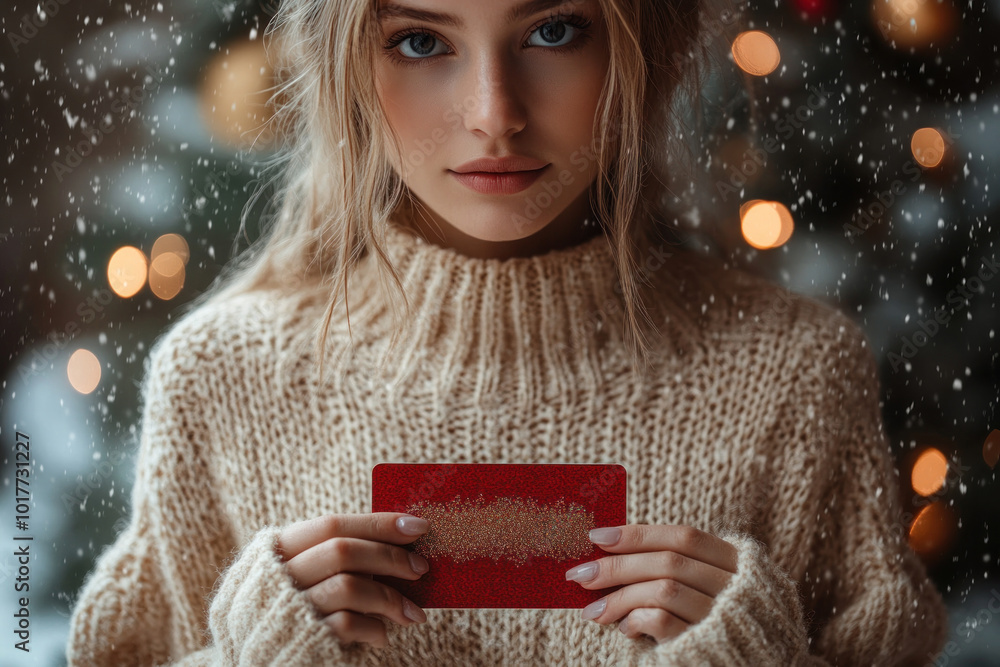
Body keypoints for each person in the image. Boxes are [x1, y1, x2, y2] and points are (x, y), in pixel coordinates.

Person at [65, 0, 951, 664]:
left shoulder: (795, 373)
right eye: (420, 41)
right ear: (340, 62)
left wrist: (756, 653)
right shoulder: (224, 376)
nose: (495, 112)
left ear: (646, 44)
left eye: (554, 31)